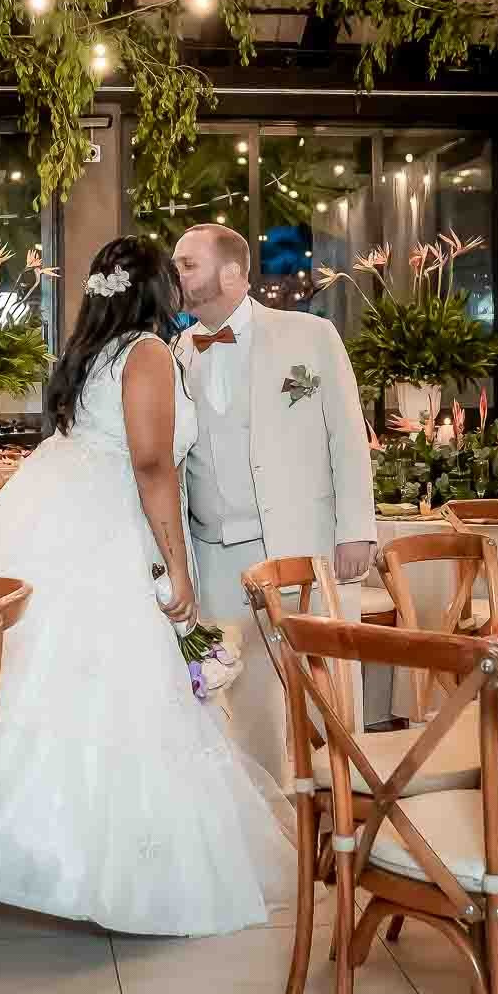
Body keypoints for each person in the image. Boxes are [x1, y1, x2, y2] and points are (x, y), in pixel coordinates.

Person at [0, 235, 291, 936]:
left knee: (53, 687)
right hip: (114, 527)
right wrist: (177, 563)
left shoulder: (90, 354)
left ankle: (29, 852)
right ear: (153, 289)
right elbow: (153, 465)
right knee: (125, 691)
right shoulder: (147, 352)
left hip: (63, 512)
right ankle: (121, 873)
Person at [171, 223, 377, 789]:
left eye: (188, 264)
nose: (178, 275)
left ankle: (336, 815)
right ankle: (258, 829)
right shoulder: (179, 350)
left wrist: (356, 528)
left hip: (298, 545)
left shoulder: (310, 336)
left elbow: (347, 434)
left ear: (232, 272)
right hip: (212, 561)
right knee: (233, 703)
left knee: (317, 698)